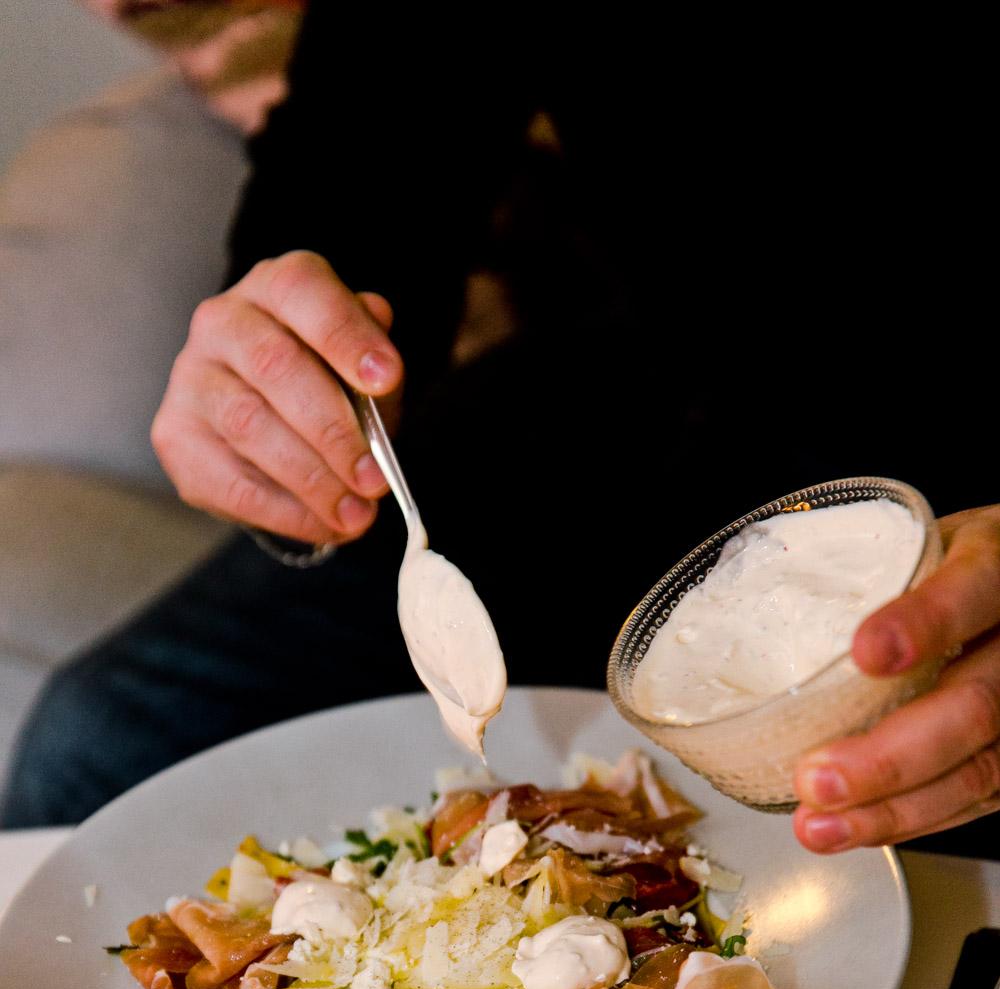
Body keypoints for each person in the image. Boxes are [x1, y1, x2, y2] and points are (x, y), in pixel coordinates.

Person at [3, 10, 998, 859]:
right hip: (646, 371)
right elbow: (377, 120)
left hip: (955, 467)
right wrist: (293, 330)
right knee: (109, 739)